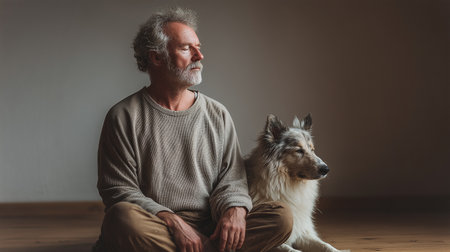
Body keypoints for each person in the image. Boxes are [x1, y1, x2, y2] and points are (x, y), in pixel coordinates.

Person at [94, 7, 293, 252]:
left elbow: (232, 179)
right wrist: (175, 222)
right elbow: (119, 190)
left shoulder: (217, 113)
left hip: (212, 225)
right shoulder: (123, 116)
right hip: (157, 225)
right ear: (156, 57)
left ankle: (201, 247)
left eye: (198, 47)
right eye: (187, 48)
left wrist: (235, 212)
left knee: (281, 217)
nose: (199, 56)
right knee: (121, 218)